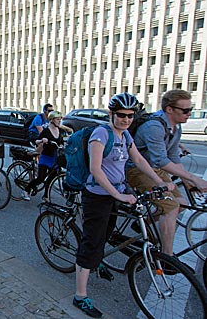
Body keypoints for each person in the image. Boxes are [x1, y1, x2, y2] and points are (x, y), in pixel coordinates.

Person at [74, 92, 174, 318]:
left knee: (106, 233)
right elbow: (96, 170)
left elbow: (139, 160)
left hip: (117, 192)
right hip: (98, 194)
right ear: (112, 114)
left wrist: (161, 182)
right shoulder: (101, 134)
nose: (126, 119)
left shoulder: (125, 135)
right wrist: (117, 196)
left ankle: (96, 261)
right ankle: (80, 295)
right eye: (121, 115)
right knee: (92, 241)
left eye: (130, 115)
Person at [127, 89, 207, 257]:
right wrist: (194, 178)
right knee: (171, 207)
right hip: (136, 169)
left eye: (190, 109)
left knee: (181, 203)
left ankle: (145, 222)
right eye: (185, 110)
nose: (189, 114)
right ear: (169, 109)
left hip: (154, 169)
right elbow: (161, 160)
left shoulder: (175, 128)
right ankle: (166, 257)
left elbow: (173, 158)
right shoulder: (154, 126)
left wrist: (189, 183)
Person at [21, 111, 70, 201]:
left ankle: (46, 196)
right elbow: (37, 141)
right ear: (51, 120)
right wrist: (42, 140)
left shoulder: (60, 130)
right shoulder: (46, 131)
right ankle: (26, 190)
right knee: (40, 178)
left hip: (55, 157)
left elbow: (61, 142)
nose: (59, 121)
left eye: (60, 119)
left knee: (52, 177)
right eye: (57, 119)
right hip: (46, 157)